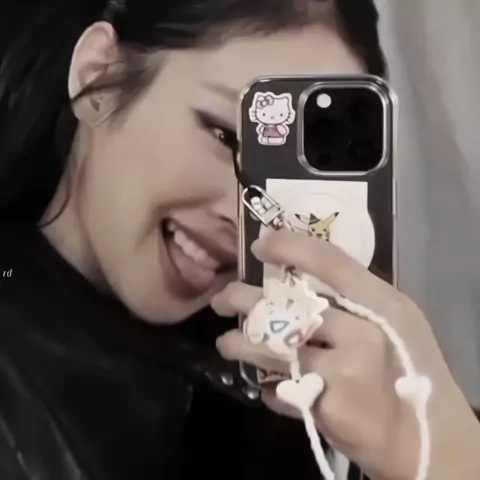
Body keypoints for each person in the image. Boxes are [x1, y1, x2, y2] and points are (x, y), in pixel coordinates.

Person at [0, 1, 478, 480]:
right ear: (98, 76)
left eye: (282, 179)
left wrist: (436, 452)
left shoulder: (305, 401)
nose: (244, 213)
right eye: (225, 136)